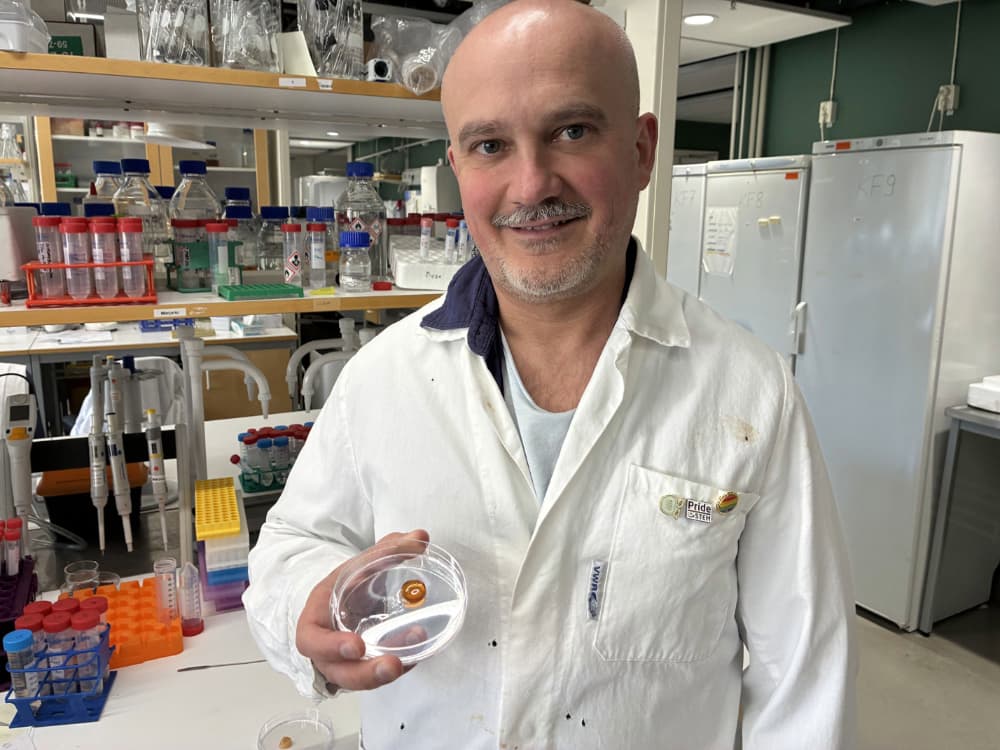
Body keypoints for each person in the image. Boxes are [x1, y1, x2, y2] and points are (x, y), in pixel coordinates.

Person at [244, 0, 858, 747]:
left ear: (640, 150)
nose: (531, 185)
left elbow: (805, 681)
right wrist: (309, 597)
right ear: (458, 168)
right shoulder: (383, 378)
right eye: (491, 145)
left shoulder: (750, 394)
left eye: (571, 131)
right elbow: (294, 539)